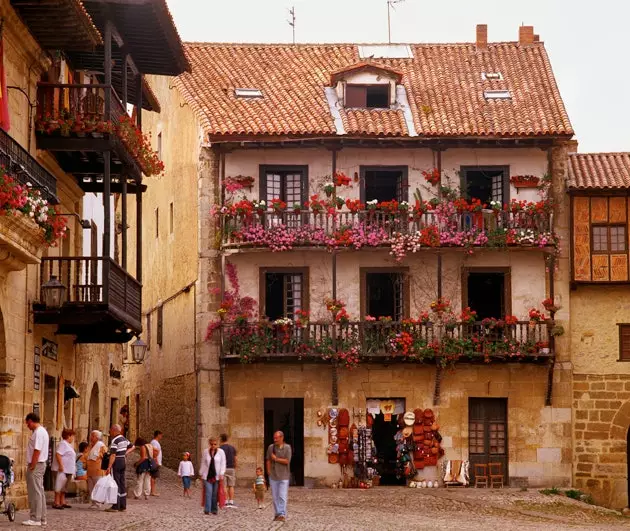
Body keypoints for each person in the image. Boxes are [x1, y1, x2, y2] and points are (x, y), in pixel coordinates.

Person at [23, 412, 49, 527]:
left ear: (31, 421)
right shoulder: (42, 431)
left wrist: (32, 465)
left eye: (28, 423)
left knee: (35, 492)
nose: (27, 426)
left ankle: (35, 518)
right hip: (39, 464)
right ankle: (42, 517)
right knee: (40, 491)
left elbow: (37, 450)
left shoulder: (38, 433)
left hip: (37, 464)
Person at [105, 424, 134, 512]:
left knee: (115, 483)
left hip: (116, 462)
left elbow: (113, 455)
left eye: (110, 430)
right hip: (122, 461)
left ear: (114, 430)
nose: (110, 432)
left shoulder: (115, 441)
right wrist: (125, 453)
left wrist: (109, 467)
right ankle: (123, 505)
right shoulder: (124, 439)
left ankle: (115, 506)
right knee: (122, 482)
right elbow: (132, 447)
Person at [265, 430, 292, 522]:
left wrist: (276, 459)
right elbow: (268, 460)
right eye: (274, 438)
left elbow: (287, 461)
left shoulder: (287, 448)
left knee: (282, 496)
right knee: (275, 496)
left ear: (282, 438)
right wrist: (268, 471)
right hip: (273, 476)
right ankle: (277, 514)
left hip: (284, 476)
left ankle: (282, 514)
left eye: (277, 438)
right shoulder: (271, 447)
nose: (275, 440)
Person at [198, 437, 226, 515]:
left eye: (215, 444)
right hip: (207, 476)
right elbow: (203, 463)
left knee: (214, 494)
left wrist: (222, 473)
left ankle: (214, 509)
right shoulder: (205, 452)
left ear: (217, 444)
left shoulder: (221, 452)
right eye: (211, 444)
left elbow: (223, 463)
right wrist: (201, 473)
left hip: (217, 476)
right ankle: (207, 509)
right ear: (209, 444)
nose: (213, 445)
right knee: (208, 492)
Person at [52, 428, 76, 510]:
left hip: (68, 470)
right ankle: (56, 502)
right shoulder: (63, 444)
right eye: (72, 436)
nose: (73, 438)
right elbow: (58, 454)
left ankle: (62, 501)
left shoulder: (68, 445)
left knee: (64, 487)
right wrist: (61, 465)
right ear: (69, 436)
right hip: (62, 469)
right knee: (59, 485)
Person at [86, 430, 106, 507]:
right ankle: (93, 502)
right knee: (91, 487)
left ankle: (98, 502)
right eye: (91, 436)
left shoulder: (101, 446)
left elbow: (105, 456)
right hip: (90, 470)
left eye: (93, 436)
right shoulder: (90, 446)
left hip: (98, 469)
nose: (91, 437)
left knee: (98, 486)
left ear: (97, 437)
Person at [219, 433, 237, 507]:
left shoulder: (220, 449)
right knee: (231, 485)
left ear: (221, 439)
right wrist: (235, 466)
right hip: (231, 468)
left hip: (223, 468)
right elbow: (235, 458)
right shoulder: (232, 448)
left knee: (224, 486)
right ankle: (231, 501)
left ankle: (225, 500)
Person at [149, 430, 163, 496]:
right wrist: (156, 461)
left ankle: (152, 491)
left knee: (154, 477)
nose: (161, 436)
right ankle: (152, 491)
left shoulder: (155, 442)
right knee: (153, 476)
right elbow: (154, 452)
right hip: (155, 461)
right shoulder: (154, 442)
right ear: (158, 435)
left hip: (156, 461)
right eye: (160, 435)